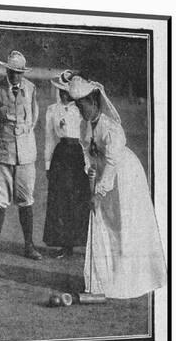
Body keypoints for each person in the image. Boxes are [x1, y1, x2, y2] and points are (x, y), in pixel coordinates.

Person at [68, 76, 166, 298]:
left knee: (124, 223)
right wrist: (90, 170)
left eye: (81, 103)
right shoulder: (85, 125)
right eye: (75, 104)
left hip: (125, 176)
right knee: (106, 224)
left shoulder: (111, 127)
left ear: (93, 101)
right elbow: (87, 151)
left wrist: (99, 193)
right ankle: (105, 280)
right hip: (104, 174)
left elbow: (112, 162)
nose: (78, 108)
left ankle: (130, 281)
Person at [0, 50, 42, 261]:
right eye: (13, 71)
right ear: (6, 70)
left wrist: (24, 140)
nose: (16, 76)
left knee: (26, 201)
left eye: (20, 72)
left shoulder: (31, 89)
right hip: (1, 154)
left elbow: (33, 119)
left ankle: (29, 245)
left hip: (25, 155)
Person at [43, 70, 90, 258]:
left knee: (77, 199)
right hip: (60, 156)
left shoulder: (81, 110)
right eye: (60, 90)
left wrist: (88, 163)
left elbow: (87, 137)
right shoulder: (52, 110)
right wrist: (47, 165)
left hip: (78, 156)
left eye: (66, 91)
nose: (63, 94)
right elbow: (49, 138)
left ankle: (81, 242)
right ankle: (64, 244)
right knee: (60, 200)